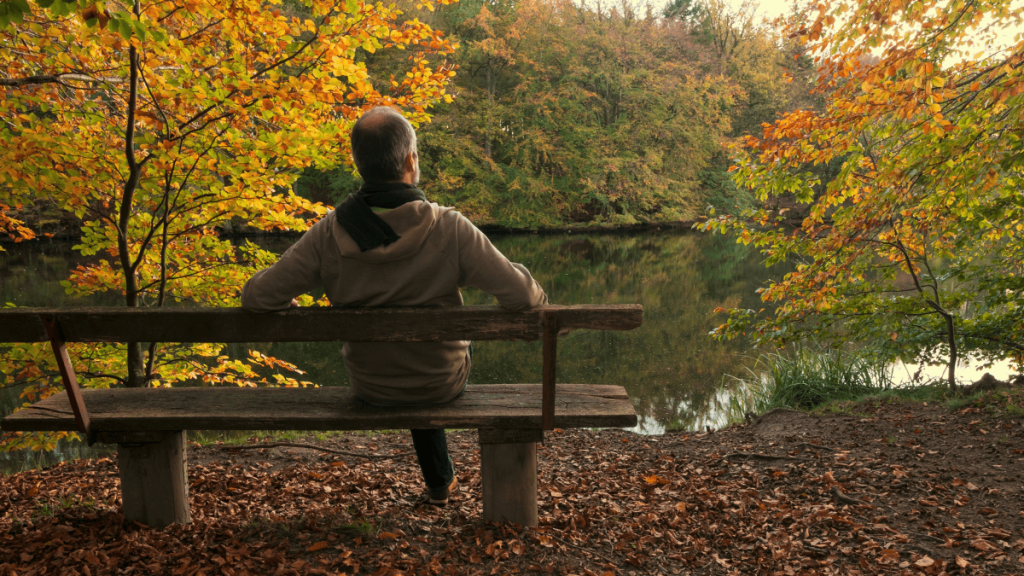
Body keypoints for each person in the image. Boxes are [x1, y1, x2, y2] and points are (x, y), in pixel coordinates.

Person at [240, 106, 547, 506]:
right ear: (410, 161)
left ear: (358, 164)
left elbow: (257, 297)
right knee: (443, 346)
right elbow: (522, 297)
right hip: (440, 383)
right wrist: (523, 275)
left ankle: (441, 482)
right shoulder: (450, 227)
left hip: (372, 384)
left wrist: (290, 299)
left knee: (403, 353)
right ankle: (440, 482)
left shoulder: (329, 232)